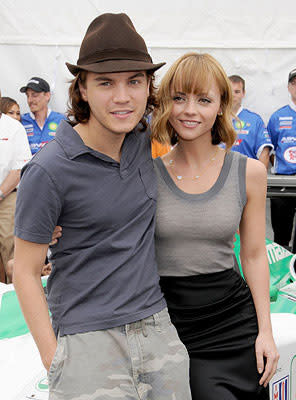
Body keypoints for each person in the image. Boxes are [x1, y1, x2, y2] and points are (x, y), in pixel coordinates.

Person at [13, 13, 191, 400]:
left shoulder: (146, 139)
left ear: (148, 88)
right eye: (106, 82)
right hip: (87, 339)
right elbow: (24, 271)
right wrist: (54, 359)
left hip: (157, 329)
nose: (122, 96)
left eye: (134, 81)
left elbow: (203, 111)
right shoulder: (48, 169)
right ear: (83, 89)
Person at [151, 52, 279, 399]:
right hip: (169, 326)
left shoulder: (249, 172)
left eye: (203, 99)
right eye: (179, 98)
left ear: (222, 105)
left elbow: (253, 256)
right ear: (166, 104)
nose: (189, 110)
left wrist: (265, 332)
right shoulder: (145, 175)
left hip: (233, 324)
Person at [0, 91, 31, 283]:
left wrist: (0, 193)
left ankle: (15, 296)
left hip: (7, 195)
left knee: (10, 246)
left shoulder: (13, 127)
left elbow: (19, 168)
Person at [267, 68, 296, 248]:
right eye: (295, 83)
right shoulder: (277, 117)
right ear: (288, 87)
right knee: (281, 236)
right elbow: (269, 151)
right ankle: (283, 274)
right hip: (283, 183)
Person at [228, 75, 273, 169]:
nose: (233, 95)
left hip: (246, 176)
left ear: (243, 93)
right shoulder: (215, 118)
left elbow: (264, 152)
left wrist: (258, 179)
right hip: (217, 177)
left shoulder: (255, 120)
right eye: (229, 91)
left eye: (237, 92)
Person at [20, 77, 66, 155]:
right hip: (28, 166)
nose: (30, 100)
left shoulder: (61, 120)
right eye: (27, 96)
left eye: (34, 95)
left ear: (47, 96)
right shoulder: (21, 121)